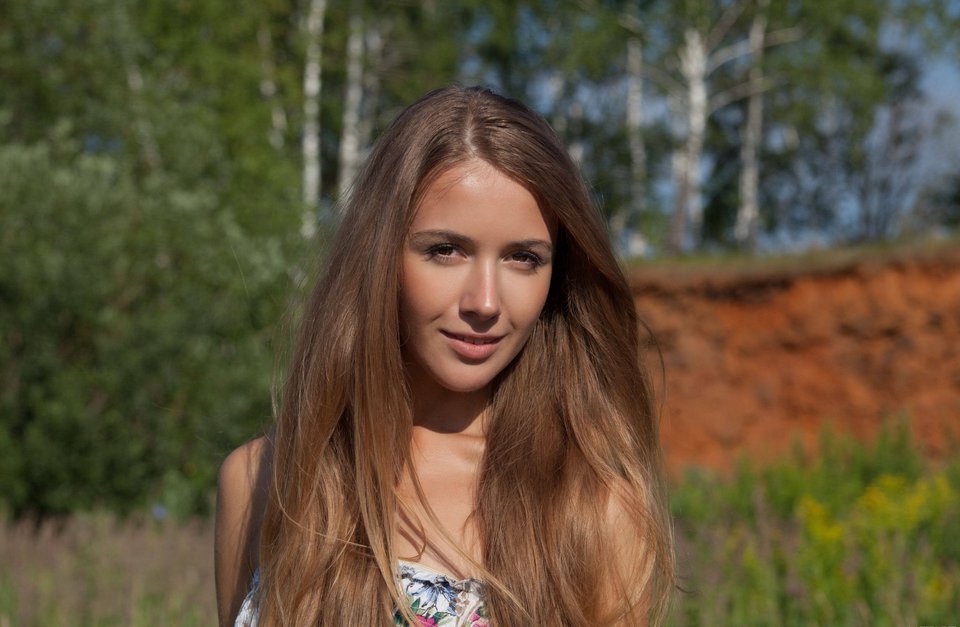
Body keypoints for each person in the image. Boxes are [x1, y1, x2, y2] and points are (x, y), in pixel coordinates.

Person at [215, 85, 674, 626]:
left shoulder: (592, 508)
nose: (485, 302)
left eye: (524, 258)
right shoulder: (264, 479)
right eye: (446, 250)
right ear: (380, 256)